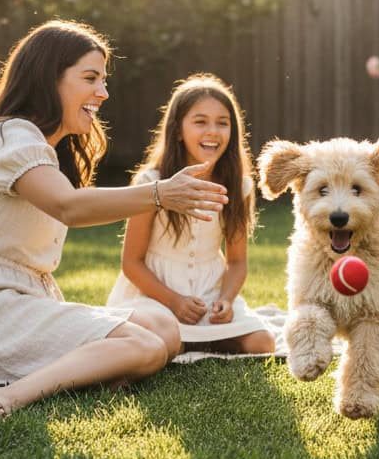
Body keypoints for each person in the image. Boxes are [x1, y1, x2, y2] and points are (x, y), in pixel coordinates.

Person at [0, 20, 228, 418]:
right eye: (90, 78)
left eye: (103, 79)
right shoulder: (9, 136)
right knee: (147, 347)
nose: (103, 92)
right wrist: (159, 194)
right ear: (50, 79)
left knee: (163, 326)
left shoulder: (35, 144)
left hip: (12, 302)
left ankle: (89, 370)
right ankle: (4, 398)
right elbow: (70, 206)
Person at [107, 74, 275, 355]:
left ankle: (200, 336)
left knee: (262, 343)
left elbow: (237, 262)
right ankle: (188, 338)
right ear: (177, 130)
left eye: (223, 123)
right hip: (155, 293)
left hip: (209, 291)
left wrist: (227, 300)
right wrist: (173, 301)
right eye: (200, 122)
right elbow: (132, 263)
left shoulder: (239, 185)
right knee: (166, 339)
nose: (213, 131)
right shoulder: (152, 183)